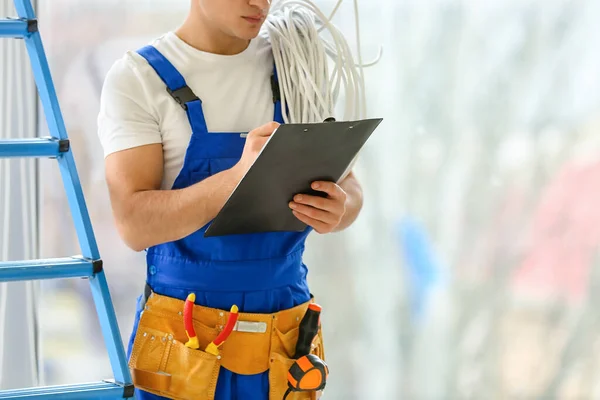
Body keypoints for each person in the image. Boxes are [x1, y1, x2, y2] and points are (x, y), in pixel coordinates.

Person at [97, 0, 364, 398]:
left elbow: (351, 187)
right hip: (184, 344)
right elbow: (135, 226)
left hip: (286, 340)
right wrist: (238, 177)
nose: (261, 4)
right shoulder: (139, 78)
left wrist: (342, 208)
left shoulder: (295, 66)